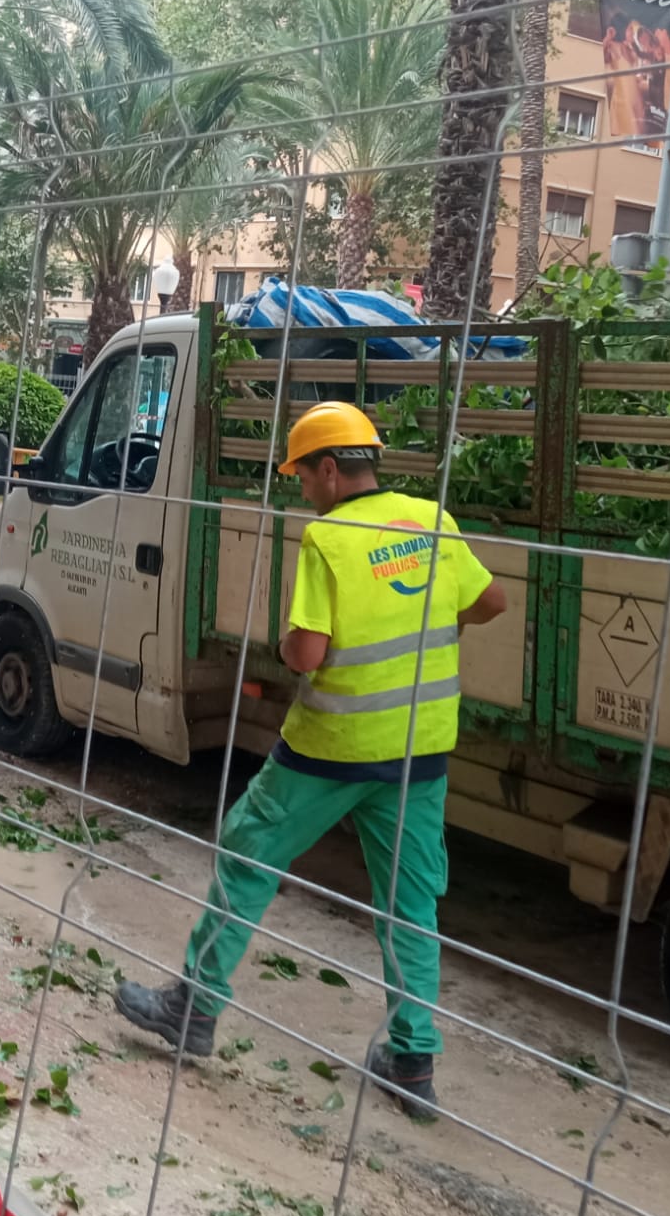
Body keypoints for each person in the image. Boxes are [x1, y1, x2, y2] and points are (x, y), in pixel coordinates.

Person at [114, 401, 508, 1119]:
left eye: (303, 475)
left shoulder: (328, 541)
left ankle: (194, 1008)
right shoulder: (433, 522)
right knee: (410, 907)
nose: (302, 489)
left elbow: (308, 653)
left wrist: (290, 645)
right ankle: (414, 1064)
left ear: (331, 470)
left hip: (333, 746)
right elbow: (493, 602)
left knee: (247, 850)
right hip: (420, 750)